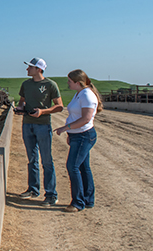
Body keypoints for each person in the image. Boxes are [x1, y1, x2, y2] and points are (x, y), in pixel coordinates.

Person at [16, 57, 64, 206]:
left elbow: (59, 106)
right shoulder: (26, 84)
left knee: (46, 160)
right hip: (27, 124)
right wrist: (20, 108)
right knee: (31, 159)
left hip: (42, 125)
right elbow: (22, 101)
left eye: (30, 67)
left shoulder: (50, 85)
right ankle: (33, 189)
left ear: (39, 69)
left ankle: (51, 194)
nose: (27, 69)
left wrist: (42, 112)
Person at [54, 69, 103, 212]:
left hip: (84, 135)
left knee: (72, 166)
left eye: (70, 81)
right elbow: (76, 117)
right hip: (78, 135)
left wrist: (65, 128)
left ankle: (78, 202)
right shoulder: (80, 94)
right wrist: (70, 133)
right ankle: (87, 200)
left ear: (77, 82)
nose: (68, 83)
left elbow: (85, 119)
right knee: (83, 167)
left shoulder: (87, 95)